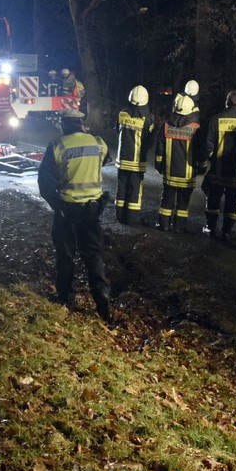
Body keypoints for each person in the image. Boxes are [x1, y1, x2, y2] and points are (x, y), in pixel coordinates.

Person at [38, 109, 114, 322]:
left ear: (64, 125)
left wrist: (56, 204)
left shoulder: (57, 146)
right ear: (81, 124)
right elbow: (105, 159)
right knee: (94, 256)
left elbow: (45, 183)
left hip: (67, 210)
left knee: (65, 255)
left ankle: (65, 297)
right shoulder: (98, 143)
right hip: (92, 211)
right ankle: (102, 299)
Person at [201, 90, 236, 240]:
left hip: (218, 170)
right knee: (232, 202)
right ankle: (227, 230)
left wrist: (212, 159)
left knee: (214, 199)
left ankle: (210, 227)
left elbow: (208, 145)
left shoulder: (216, 120)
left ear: (226, 103)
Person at [154, 94, 202, 232]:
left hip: (170, 171)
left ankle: (163, 225)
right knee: (183, 203)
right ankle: (179, 227)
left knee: (166, 201)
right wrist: (201, 166)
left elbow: (159, 149)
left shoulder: (166, 126)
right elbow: (199, 150)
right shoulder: (196, 128)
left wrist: (158, 165)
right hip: (187, 174)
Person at [115, 85, 155, 224]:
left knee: (121, 188)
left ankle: (119, 216)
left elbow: (117, 131)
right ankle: (131, 219)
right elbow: (149, 142)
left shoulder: (122, 113)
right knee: (134, 191)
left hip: (122, 160)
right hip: (137, 162)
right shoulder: (148, 118)